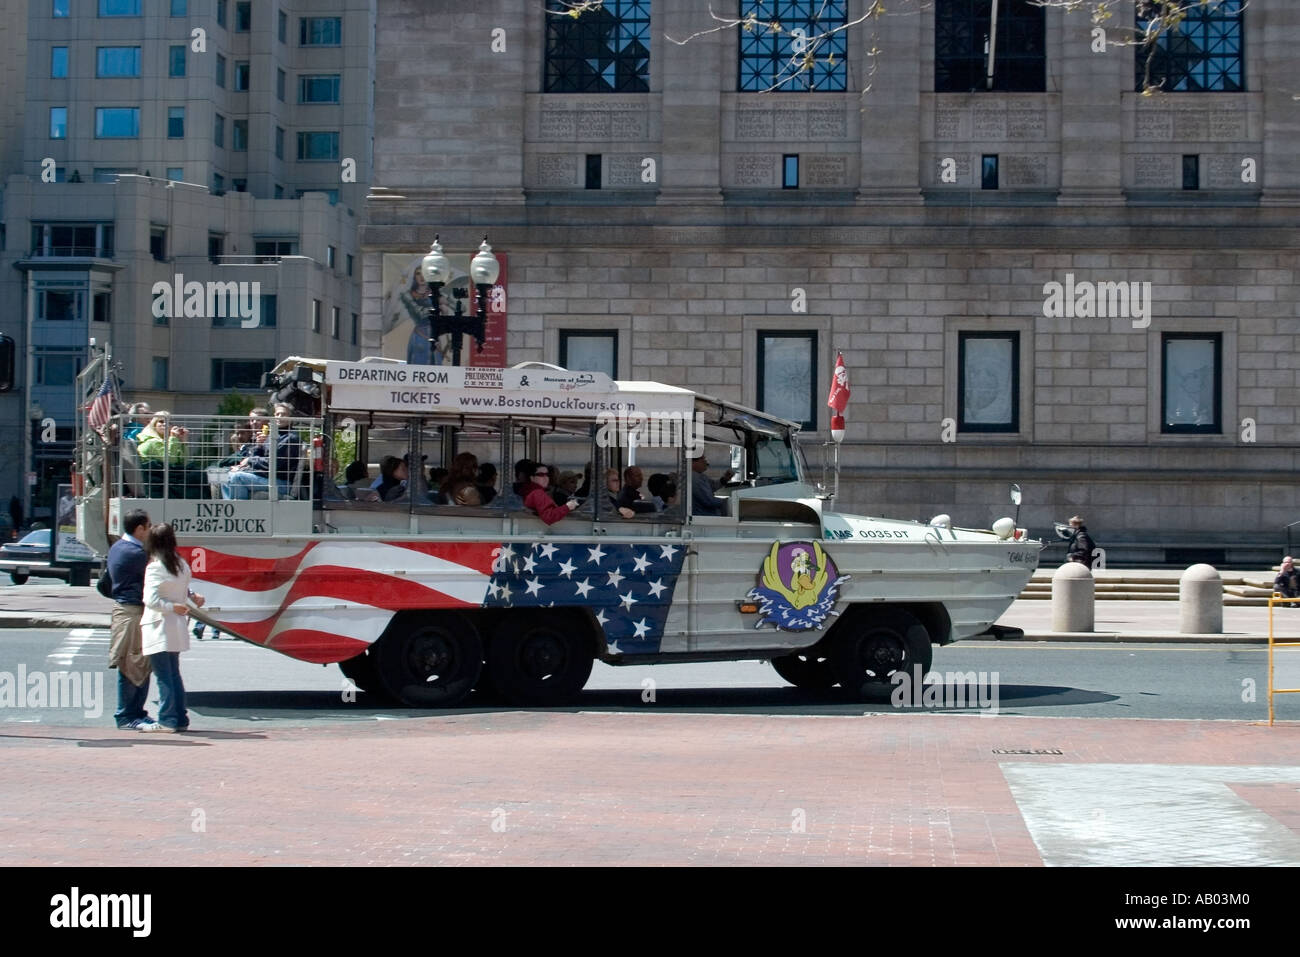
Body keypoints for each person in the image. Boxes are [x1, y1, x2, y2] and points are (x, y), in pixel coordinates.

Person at [139, 523, 202, 732]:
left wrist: (170, 606)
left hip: (159, 623)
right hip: (176, 624)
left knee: (164, 675)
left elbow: (150, 599)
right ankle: (180, 717)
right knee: (173, 673)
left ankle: (167, 719)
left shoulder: (155, 566)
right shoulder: (181, 564)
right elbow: (184, 590)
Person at [108, 509, 155, 730]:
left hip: (124, 610)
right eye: (149, 526)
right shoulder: (137, 554)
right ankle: (128, 715)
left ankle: (134, 713)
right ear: (139, 529)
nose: (151, 530)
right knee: (133, 665)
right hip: (132, 611)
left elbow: (104, 583)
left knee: (132, 663)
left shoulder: (117, 548)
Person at [222, 403, 303, 499]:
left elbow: (273, 464)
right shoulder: (272, 435)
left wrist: (250, 460)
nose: (279, 417)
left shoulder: (291, 438)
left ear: (291, 418)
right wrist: (259, 446)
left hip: (280, 482)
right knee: (225, 476)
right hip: (267, 477)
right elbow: (260, 457)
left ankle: (239, 511)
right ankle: (232, 510)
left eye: (283, 414)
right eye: (277, 414)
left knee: (237, 477)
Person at [520, 459, 583, 525]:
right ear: (532, 478)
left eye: (547, 475)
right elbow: (549, 517)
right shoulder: (538, 493)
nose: (546, 478)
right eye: (541, 475)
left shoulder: (533, 491)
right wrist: (568, 506)